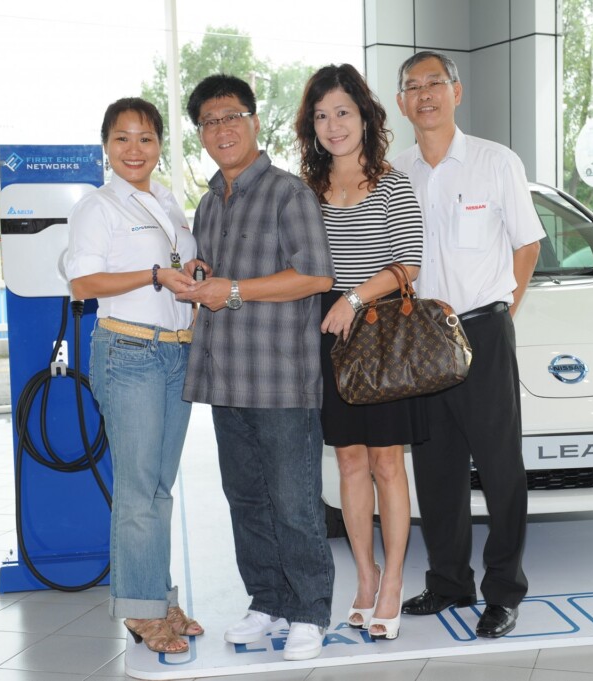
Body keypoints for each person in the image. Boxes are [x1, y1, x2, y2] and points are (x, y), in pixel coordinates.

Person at [176, 74, 336, 662]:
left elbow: (317, 276)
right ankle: (267, 600)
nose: (221, 129)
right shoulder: (208, 201)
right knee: (245, 499)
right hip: (225, 377)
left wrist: (234, 289)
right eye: (209, 122)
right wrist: (200, 274)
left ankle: (309, 611)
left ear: (254, 122)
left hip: (280, 378)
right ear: (201, 134)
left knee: (294, 502)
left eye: (231, 116)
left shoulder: (288, 193)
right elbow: (214, 280)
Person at [392, 51, 543, 638]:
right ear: (401, 102)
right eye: (412, 86)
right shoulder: (394, 172)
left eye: (435, 82)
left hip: (481, 330)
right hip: (418, 339)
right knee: (436, 469)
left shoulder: (495, 162)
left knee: (501, 466)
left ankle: (504, 590)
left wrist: (504, 310)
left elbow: (526, 246)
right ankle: (449, 581)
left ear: (457, 91)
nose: (424, 93)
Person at [64, 97, 202, 654]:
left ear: (160, 145)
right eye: (122, 138)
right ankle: (141, 613)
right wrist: (154, 274)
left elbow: (173, 267)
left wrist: (188, 270)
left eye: (145, 138)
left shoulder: (165, 202)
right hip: (129, 353)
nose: (134, 149)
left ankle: (159, 599)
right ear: (105, 145)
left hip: (175, 353)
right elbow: (83, 285)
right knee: (138, 492)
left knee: (160, 490)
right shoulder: (99, 207)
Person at [294, 63, 426, 641]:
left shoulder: (394, 183)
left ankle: (395, 579)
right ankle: (366, 577)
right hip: (329, 345)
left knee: (386, 464)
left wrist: (352, 295)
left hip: (381, 344)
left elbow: (409, 266)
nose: (333, 125)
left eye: (343, 112)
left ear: (365, 116)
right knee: (349, 463)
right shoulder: (306, 192)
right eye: (321, 116)